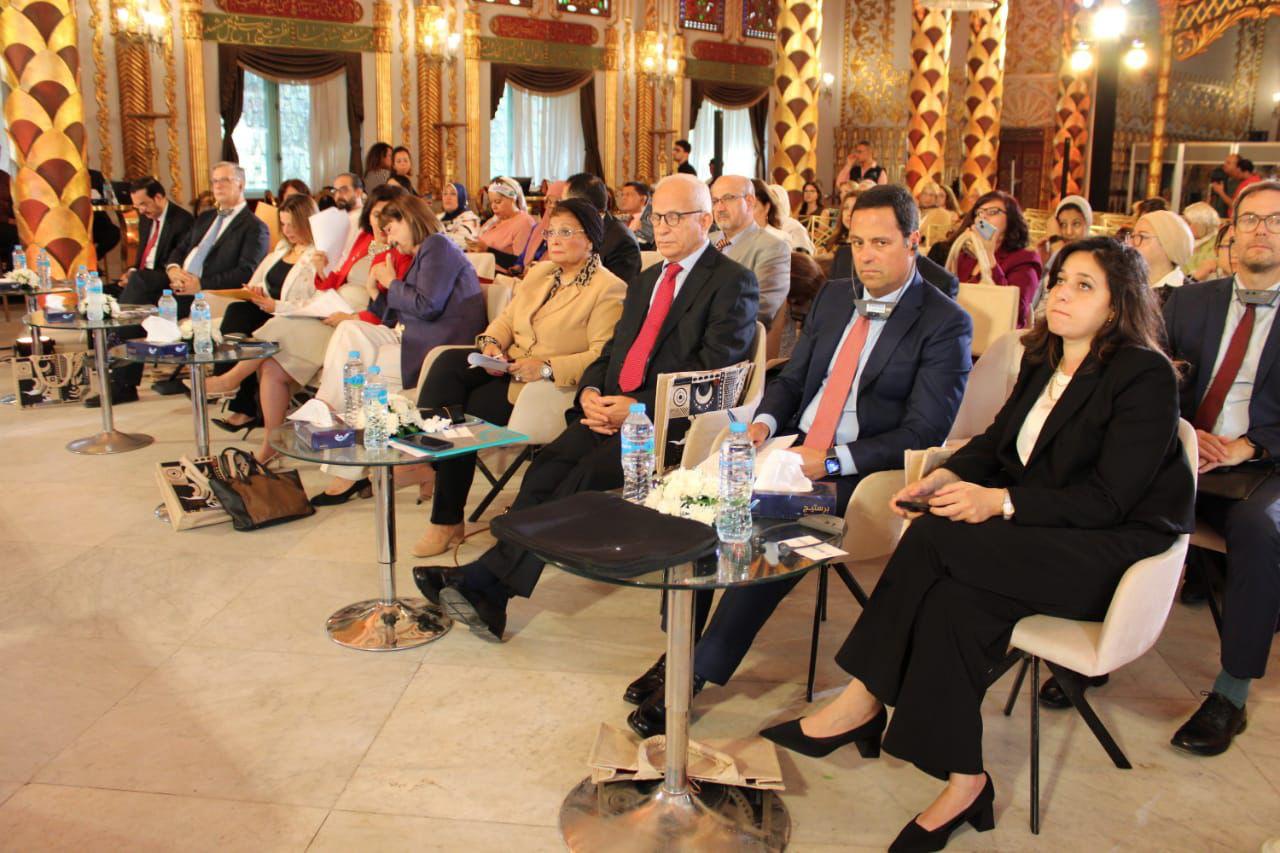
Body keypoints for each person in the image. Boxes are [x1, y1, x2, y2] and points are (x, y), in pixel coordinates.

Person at [762, 236, 1193, 851]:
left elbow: (1110, 500)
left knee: (935, 538)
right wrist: (946, 477)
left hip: (1109, 553)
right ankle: (968, 783)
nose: (1062, 294)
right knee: (951, 606)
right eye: (1061, 280)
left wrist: (999, 502)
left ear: (1119, 303)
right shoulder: (1044, 356)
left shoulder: (1143, 375)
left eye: (1084, 286)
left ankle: (862, 698)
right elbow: (995, 445)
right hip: (1037, 537)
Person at [624, 185, 975, 739]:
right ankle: (679, 648)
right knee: (695, 507)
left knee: (771, 533)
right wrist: (762, 425)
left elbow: (923, 433)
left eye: (881, 243)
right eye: (858, 242)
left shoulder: (943, 321)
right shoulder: (835, 297)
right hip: (791, 445)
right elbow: (792, 380)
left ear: (914, 242)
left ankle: (695, 674)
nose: (866, 256)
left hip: (857, 472)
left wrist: (830, 462)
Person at [412, 173, 760, 641]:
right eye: (658, 217)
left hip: (666, 426)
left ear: (704, 220)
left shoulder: (732, 282)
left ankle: (487, 582)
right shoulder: (648, 279)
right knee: (545, 470)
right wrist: (590, 393)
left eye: (675, 218)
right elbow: (613, 351)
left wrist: (636, 408)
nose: (662, 227)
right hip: (608, 411)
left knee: (577, 482)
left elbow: (712, 373)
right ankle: (489, 587)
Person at [412, 197, 627, 555]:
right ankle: (430, 465)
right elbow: (508, 320)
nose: (554, 240)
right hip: (508, 366)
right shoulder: (542, 273)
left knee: (458, 418)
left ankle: (444, 515)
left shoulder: (608, 288)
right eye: (551, 232)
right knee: (447, 364)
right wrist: (492, 343)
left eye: (566, 232)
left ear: (590, 238)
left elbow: (601, 356)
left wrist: (545, 367)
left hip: (544, 387)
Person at [1160, 180, 1280, 758]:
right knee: (1110, 491)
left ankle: (1231, 693)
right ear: (1231, 233)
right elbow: (1149, 377)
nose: (1261, 230)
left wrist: (1249, 446)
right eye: (1250, 218)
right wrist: (1184, 430)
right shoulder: (1191, 302)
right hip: (1185, 450)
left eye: (1275, 220)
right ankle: (1094, 650)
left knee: (1261, 529)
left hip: (1264, 466)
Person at [308, 194, 486, 493]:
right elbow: (395, 314)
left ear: (409, 220)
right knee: (351, 331)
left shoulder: (438, 246)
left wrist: (392, 282)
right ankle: (325, 410)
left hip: (439, 347)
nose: (389, 239)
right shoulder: (424, 253)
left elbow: (428, 305)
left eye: (391, 229)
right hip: (415, 336)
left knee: (366, 381)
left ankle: (340, 448)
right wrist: (375, 291)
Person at [209, 184, 404, 434]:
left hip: (356, 319)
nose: (381, 222)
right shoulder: (364, 239)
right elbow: (338, 279)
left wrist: (355, 316)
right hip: (333, 305)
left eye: (388, 215)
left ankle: (230, 380)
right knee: (270, 364)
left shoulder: (399, 248)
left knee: (278, 327)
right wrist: (322, 272)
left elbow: (392, 305)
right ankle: (271, 442)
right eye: (376, 215)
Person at [203, 193, 322, 421]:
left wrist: (276, 305)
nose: (287, 230)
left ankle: (232, 387)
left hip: (290, 315)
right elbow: (260, 281)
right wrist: (256, 291)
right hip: (267, 308)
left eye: (292, 224)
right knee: (237, 311)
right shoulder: (282, 250)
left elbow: (314, 299)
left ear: (307, 223)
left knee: (254, 328)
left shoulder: (317, 255)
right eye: (283, 224)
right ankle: (232, 386)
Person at [101, 178, 197, 401]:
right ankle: (107, 367)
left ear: (159, 197)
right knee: (104, 296)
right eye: (137, 206)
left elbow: (178, 263)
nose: (141, 210)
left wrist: (137, 277)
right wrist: (131, 271)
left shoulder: (182, 221)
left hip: (169, 284)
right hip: (144, 281)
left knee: (131, 300)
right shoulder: (146, 220)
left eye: (144, 204)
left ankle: (123, 383)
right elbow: (142, 257)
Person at [948, 189, 1043, 327]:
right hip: (961, 329)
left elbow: (1016, 311)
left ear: (1011, 218)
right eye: (979, 213)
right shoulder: (966, 257)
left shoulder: (1026, 259)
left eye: (993, 212)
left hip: (997, 335)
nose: (984, 218)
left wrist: (989, 255)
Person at [710, 175, 791, 326]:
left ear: (749, 202)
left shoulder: (772, 247)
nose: (719, 208)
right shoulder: (704, 242)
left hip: (725, 333)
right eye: (715, 201)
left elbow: (757, 309)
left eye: (728, 198)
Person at [561, 172, 641, 285]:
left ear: (582, 205)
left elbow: (617, 289)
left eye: (563, 203)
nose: (560, 208)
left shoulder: (621, 242)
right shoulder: (577, 229)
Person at [468, 177, 537, 270]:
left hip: (499, 276)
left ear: (512, 198)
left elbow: (520, 264)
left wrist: (487, 250)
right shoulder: (494, 221)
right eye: (491, 202)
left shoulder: (524, 222)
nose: (493, 207)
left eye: (498, 202)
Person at [1131, 209, 1194, 303]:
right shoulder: (1129, 285)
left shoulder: (1188, 296)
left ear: (1168, 244)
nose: (1130, 243)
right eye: (1132, 236)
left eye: (1142, 236)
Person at [1037, 194, 1092, 264]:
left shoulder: (1096, 256)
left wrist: (1055, 241)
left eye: (1076, 224)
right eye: (1063, 224)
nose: (1069, 232)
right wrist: (1043, 263)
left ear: (1088, 224)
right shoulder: (1050, 250)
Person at [767, 183, 816, 254]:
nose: (769, 204)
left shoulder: (794, 227)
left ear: (783, 201)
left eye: (773, 199)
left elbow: (803, 256)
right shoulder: (760, 225)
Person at [1182, 201, 1222, 281]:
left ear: (1201, 224)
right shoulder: (1185, 241)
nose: (1184, 225)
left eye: (1189, 223)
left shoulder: (1216, 245)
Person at [439, 181, 481, 250]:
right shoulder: (438, 218)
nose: (448, 197)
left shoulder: (469, 219)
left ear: (461, 197)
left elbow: (466, 242)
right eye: (445, 194)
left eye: (453, 194)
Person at [618, 180, 655, 250]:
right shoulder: (622, 220)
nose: (624, 198)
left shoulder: (650, 219)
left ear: (643, 199)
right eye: (622, 195)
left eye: (628, 194)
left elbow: (643, 246)